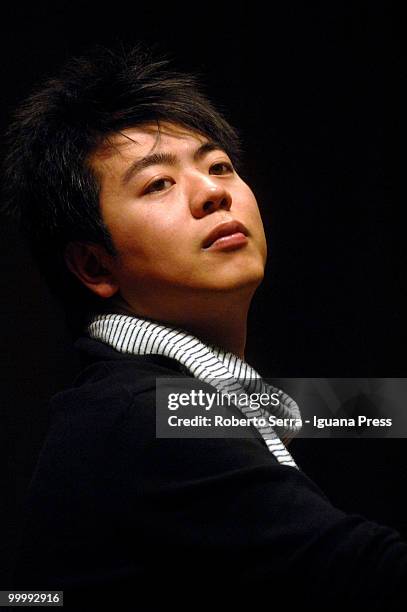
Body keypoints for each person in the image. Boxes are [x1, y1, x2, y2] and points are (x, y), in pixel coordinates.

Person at [2, 43, 406, 611]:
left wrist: (382, 413)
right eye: (158, 184)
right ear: (95, 265)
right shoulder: (146, 415)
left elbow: (359, 411)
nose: (214, 191)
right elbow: (374, 577)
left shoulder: (190, 398)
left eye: (219, 166)